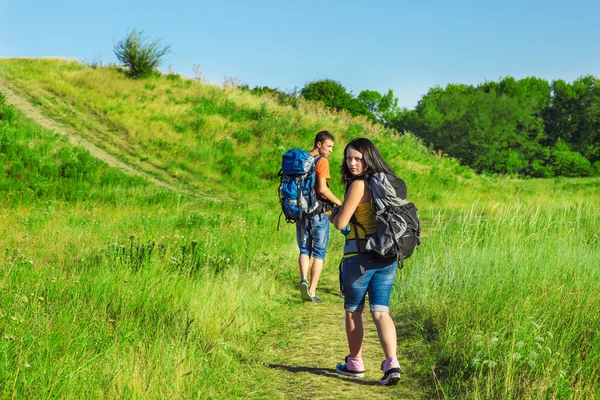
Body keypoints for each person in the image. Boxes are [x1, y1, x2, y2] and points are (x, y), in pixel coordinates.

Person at [330, 137, 402, 386]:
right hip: (388, 255)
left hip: (358, 257)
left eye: (357, 158)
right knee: (381, 312)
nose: (352, 163)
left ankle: (355, 363)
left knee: (353, 311)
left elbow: (341, 223)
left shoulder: (359, 185)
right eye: (348, 158)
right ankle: (392, 363)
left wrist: (335, 216)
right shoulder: (385, 182)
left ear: (367, 158)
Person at [297, 130, 342, 303]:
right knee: (319, 252)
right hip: (319, 213)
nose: (331, 150)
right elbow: (322, 189)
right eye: (329, 146)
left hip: (301, 212)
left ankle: (303, 279)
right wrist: (339, 203)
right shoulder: (321, 162)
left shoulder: (302, 159)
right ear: (319, 144)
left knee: (304, 249)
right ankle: (312, 291)